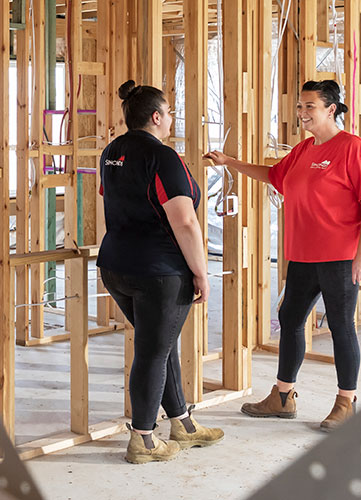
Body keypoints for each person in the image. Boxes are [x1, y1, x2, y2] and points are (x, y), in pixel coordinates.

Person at [205, 80, 361, 432]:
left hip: (340, 256)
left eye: (310, 106)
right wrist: (229, 162)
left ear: (331, 109)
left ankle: (346, 402)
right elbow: (273, 175)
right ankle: (283, 396)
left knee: (341, 326)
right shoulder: (304, 150)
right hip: (303, 255)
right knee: (289, 318)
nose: (302, 113)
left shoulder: (353, 149)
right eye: (300, 106)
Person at [99, 80, 226, 464]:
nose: (171, 118)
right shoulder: (163, 157)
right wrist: (201, 273)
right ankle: (143, 439)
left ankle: (183, 424)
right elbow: (185, 222)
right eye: (169, 112)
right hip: (159, 271)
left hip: (116, 266)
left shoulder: (112, 152)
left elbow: (117, 200)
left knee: (159, 342)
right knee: (153, 351)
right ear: (156, 117)